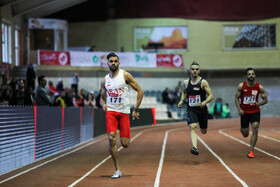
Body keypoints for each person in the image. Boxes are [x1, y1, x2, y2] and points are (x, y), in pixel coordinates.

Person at [100, 52, 143, 179]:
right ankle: (117, 170)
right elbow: (102, 97)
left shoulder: (125, 75)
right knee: (111, 138)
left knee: (125, 144)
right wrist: (103, 104)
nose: (113, 63)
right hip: (111, 112)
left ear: (119, 63)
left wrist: (136, 109)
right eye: (111, 61)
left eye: (115, 61)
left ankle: (118, 135)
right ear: (107, 63)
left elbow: (140, 91)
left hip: (124, 113)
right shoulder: (104, 81)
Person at [178, 61, 213, 155]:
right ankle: (195, 148)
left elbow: (211, 95)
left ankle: (203, 128)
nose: (194, 71)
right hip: (191, 109)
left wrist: (205, 102)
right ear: (190, 70)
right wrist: (181, 100)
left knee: (203, 131)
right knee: (193, 127)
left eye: (196, 69)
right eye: (193, 69)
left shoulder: (203, 82)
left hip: (202, 110)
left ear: (199, 71)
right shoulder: (186, 82)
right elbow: (184, 92)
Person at [234, 67, 267, 159]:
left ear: (255, 75)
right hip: (244, 112)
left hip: (255, 111)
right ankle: (243, 129)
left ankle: (251, 151)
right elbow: (236, 98)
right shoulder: (241, 86)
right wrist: (239, 109)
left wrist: (258, 103)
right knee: (245, 134)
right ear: (246, 76)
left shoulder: (259, 87)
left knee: (255, 128)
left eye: (252, 74)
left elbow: (265, 100)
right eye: (249, 74)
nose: (251, 75)